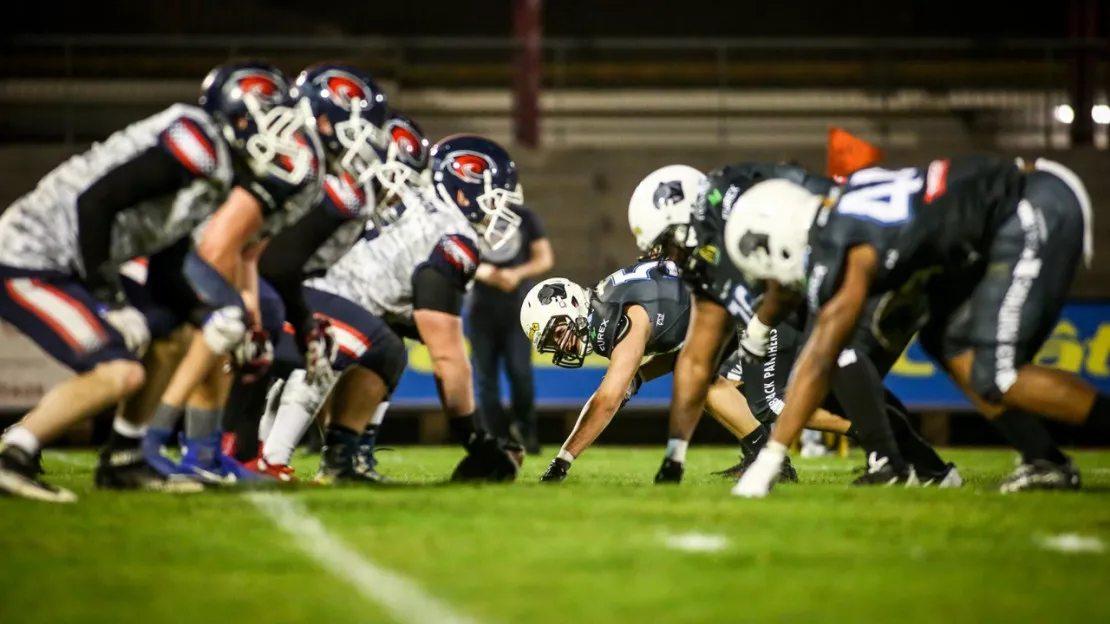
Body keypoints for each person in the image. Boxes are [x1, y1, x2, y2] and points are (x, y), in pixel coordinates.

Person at [0, 60, 318, 501]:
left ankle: (125, 459)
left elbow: (169, 260)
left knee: (176, 333)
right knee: (120, 372)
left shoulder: (218, 168)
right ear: (241, 116)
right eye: (274, 123)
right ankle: (13, 453)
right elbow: (97, 204)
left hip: (74, 261)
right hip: (29, 258)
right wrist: (110, 301)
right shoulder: (194, 140)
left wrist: (215, 315)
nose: (285, 141)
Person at [724, 156, 1109, 497]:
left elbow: (823, 353)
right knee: (949, 343)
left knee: (999, 373)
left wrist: (770, 457)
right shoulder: (840, 211)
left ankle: (1043, 458)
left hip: (1029, 206)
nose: (776, 285)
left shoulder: (846, 244)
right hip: (1004, 212)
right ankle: (1045, 461)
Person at [627, 163, 956, 486]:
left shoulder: (735, 196)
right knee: (841, 380)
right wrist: (675, 454)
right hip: (788, 306)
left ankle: (888, 458)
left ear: (682, 217)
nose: (667, 258)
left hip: (836, 275)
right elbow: (697, 357)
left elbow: (818, 206)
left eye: (667, 243)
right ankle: (925, 467)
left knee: (822, 371)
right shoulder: (708, 261)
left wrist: (759, 324)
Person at [253, 134, 525, 483]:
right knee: (378, 344)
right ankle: (274, 459)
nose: (496, 212)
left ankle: (338, 458)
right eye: (493, 199)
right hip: (313, 311)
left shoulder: (412, 202)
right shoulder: (453, 237)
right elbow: (447, 358)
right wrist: (475, 438)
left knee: (386, 343)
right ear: (465, 189)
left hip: (289, 295)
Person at [135, 61, 327, 484]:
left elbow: (247, 254)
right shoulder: (216, 152)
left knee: (238, 330)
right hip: (156, 250)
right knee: (222, 327)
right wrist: (239, 315)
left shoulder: (263, 166)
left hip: (187, 251)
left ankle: (203, 452)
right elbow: (217, 245)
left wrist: (253, 320)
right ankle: (145, 443)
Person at [520, 264, 816, 483]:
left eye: (558, 332)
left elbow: (607, 401)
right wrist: (638, 378)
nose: (562, 344)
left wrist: (562, 461)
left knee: (769, 401)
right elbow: (680, 356)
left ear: (572, 303)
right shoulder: (606, 305)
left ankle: (860, 429)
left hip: (761, 305)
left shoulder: (613, 318)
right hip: (732, 312)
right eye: (552, 343)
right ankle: (768, 460)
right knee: (705, 384)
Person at [469, 200, 553, 454]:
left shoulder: (524, 216)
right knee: (485, 379)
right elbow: (453, 252)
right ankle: (496, 440)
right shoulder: (469, 215)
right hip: (481, 308)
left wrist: (517, 273)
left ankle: (524, 429)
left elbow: (544, 258)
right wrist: (482, 271)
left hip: (518, 307)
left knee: (520, 372)